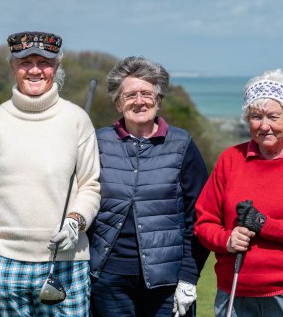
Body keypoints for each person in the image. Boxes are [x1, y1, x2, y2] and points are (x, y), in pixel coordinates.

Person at [0, 31, 101, 316]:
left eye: (44, 62)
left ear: (56, 67)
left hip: (68, 263)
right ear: (13, 66)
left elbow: (90, 186)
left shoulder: (77, 120)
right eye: (26, 62)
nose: (35, 70)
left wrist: (75, 221)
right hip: (5, 263)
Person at [195, 69, 283, 317]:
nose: (264, 126)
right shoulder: (231, 160)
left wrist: (264, 224)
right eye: (255, 116)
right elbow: (204, 222)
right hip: (234, 291)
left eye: (273, 116)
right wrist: (227, 240)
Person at [89, 56, 209, 317]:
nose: (139, 101)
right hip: (108, 281)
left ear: (159, 99)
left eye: (147, 93)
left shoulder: (182, 144)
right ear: (117, 102)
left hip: (168, 282)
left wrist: (189, 276)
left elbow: (200, 216)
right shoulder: (96, 142)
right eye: (130, 94)